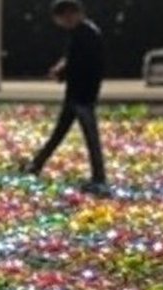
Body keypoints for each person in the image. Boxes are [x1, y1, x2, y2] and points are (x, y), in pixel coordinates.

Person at [23, 0, 108, 195]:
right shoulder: (84, 32)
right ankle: (36, 165)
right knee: (59, 133)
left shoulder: (84, 34)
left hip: (82, 95)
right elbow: (74, 61)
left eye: (64, 17)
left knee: (90, 138)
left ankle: (99, 177)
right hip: (78, 94)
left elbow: (80, 65)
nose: (63, 21)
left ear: (73, 14)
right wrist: (62, 69)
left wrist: (61, 73)